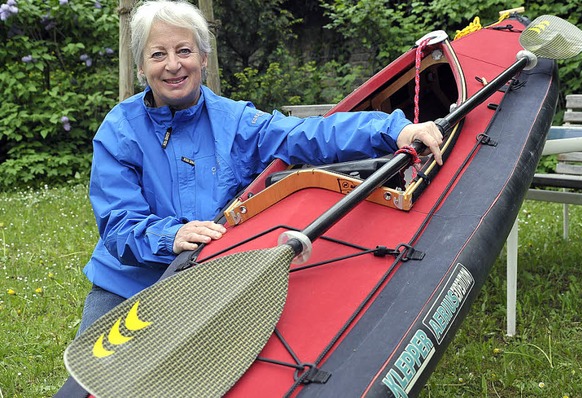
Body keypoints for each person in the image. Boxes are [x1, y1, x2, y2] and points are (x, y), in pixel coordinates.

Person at [55, 0, 442, 395]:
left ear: (204, 58)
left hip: (208, 280)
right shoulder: (119, 129)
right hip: (127, 284)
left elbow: (307, 135)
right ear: (141, 67)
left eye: (184, 50)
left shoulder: (235, 121)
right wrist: (169, 237)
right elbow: (119, 224)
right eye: (158, 54)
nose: (173, 64)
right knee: (91, 388)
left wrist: (393, 130)